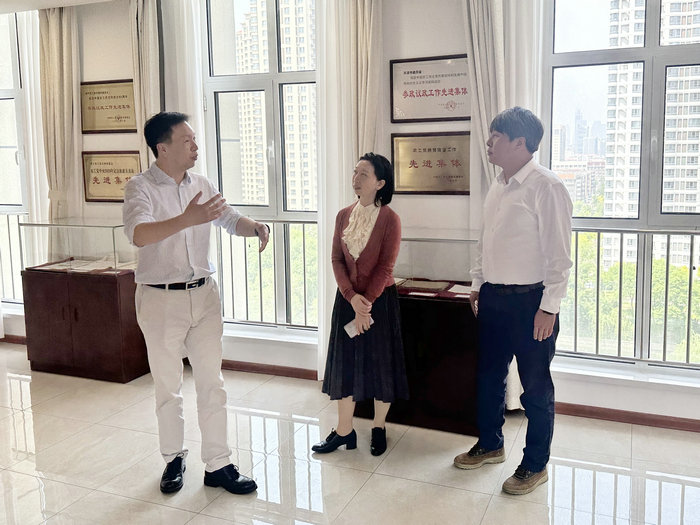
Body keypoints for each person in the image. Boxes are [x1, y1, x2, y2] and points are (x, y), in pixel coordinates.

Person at [123, 111, 270, 495]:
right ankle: (173, 458)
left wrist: (253, 227)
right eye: (186, 140)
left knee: (212, 383)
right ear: (163, 148)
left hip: (204, 295)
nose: (195, 146)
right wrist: (187, 218)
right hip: (160, 299)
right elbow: (139, 234)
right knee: (168, 387)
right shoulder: (140, 187)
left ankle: (218, 464)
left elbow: (228, 218)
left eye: (194, 139)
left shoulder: (201, 184)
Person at [453, 107, 573, 495]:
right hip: (493, 299)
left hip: (531, 303)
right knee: (488, 378)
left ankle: (535, 465)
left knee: (535, 388)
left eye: (496, 137)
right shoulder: (499, 185)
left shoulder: (546, 186)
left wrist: (549, 307)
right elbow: (485, 240)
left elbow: (559, 257)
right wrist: (477, 283)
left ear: (520, 142)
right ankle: (491, 444)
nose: (488, 143)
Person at [312, 152, 409, 456]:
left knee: (381, 365)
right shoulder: (343, 215)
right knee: (345, 365)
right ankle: (344, 431)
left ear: (380, 183)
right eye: (355, 172)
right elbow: (336, 259)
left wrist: (365, 305)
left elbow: (385, 267)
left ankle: (378, 427)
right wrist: (352, 297)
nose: (356, 178)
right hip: (347, 300)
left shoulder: (391, 219)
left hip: (379, 302)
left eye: (363, 174)